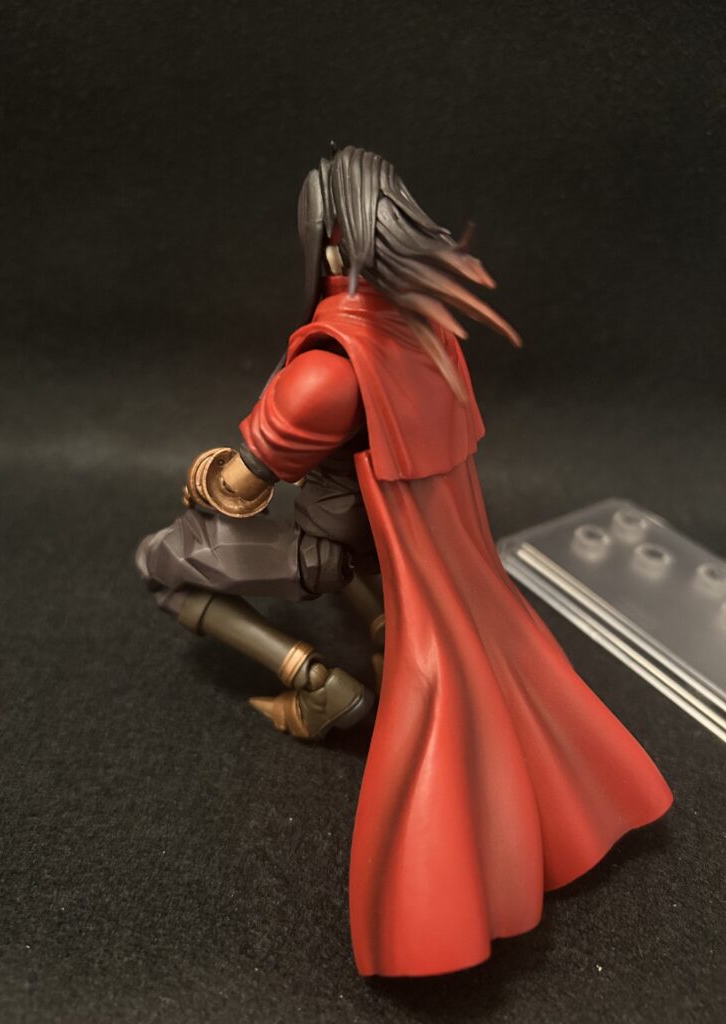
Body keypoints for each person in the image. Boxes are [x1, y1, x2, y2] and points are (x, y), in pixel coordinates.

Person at [136, 145, 673, 977]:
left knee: (161, 561)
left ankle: (316, 681)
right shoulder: (431, 333)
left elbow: (239, 490)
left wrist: (204, 477)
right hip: (405, 553)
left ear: (328, 242)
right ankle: (374, 624)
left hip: (335, 547)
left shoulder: (324, 374)